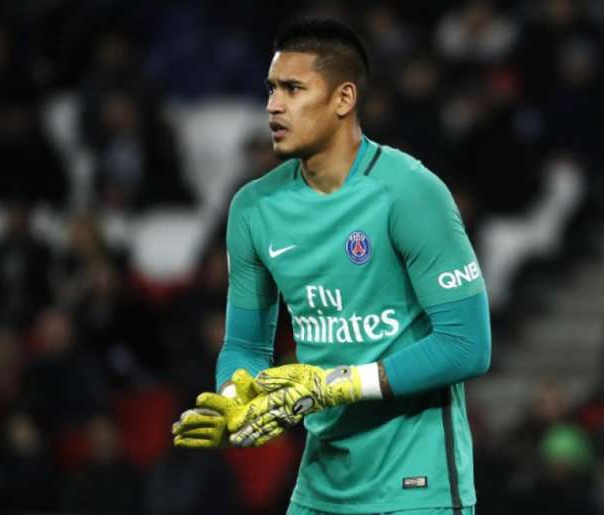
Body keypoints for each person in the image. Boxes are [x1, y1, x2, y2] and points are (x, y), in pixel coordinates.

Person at [172, 17, 491, 515]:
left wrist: (339, 384)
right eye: (271, 89)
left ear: (343, 99)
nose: (273, 106)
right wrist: (237, 396)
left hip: (416, 488)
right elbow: (245, 345)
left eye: (293, 89)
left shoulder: (409, 192)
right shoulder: (254, 208)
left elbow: (467, 345)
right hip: (320, 488)